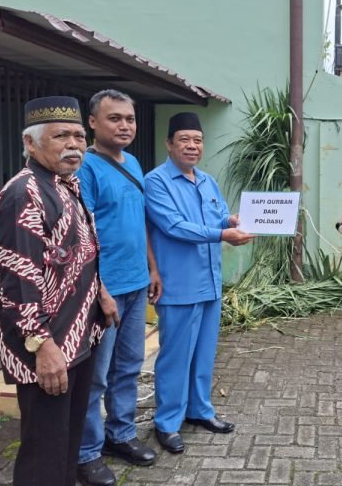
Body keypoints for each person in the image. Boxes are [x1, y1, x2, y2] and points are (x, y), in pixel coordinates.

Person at [0, 96, 119, 486]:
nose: (74, 145)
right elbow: (19, 281)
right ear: (31, 144)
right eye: (60, 136)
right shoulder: (23, 194)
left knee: (67, 441)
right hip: (46, 346)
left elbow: (80, 253)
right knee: (43, 451)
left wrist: (102, 293)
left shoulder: (66, 185)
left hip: (77, 337)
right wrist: (42, 348)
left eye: (79, 136)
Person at [145, 112, 254, 454]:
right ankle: (166, 422)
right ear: (169, 144)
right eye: (185, 140)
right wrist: (223, 232)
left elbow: (218, 215)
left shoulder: (207, 181)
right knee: (175, 357)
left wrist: (232, 219)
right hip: (178, 286)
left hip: (209, 283)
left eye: (197, 140)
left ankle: (199, 411)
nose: (192, 146)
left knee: (204, 354)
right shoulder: (156, 182)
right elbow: (173, 226)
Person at [76, 90, 162, 486]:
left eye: (129, 118)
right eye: (114, 118)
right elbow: (82, 236)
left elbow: (139, 220)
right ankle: (86, 452)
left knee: (128, 367)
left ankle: (121, 434)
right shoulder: (86, 169)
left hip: (135, 282)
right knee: (96, 375)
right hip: (104, 291)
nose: (124, 125)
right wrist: (99, 290)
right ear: (93, 122)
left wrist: (152, 268)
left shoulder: (134, 162)